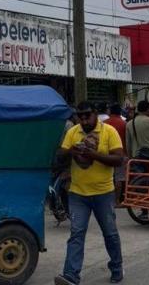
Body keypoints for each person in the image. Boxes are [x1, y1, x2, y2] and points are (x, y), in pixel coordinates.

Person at [55, 102, 125, 285]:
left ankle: (117, 267)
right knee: (76, 234)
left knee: (110, 233)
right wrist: (71, 151)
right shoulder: (73, 132)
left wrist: (93, 154)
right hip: (78, 194)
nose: (84, 120)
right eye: (80, 116)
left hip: (104, 193)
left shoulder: (109, 131)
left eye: (87, 115)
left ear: (95, 114)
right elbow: (59, 156)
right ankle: (71, 275)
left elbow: (119, 159)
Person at [104, 104, 128, 203]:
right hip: (120, 154)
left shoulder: (105, 123)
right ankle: (117, 200)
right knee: (119, 178)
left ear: (110, 111)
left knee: (106, 177)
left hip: (106, 155)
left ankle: (105, 199)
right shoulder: (124, 123)